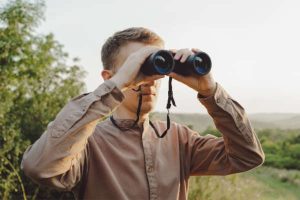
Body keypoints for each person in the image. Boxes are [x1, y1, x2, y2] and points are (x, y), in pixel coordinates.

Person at [21, 27, 265, 200]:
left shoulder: (180, 140)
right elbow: (39, 167)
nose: (150, 81)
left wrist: (211, 92)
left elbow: (248, 156)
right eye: (138, 68)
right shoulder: (86, 145)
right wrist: (116, 87)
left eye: (156, 68)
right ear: (109, 78)